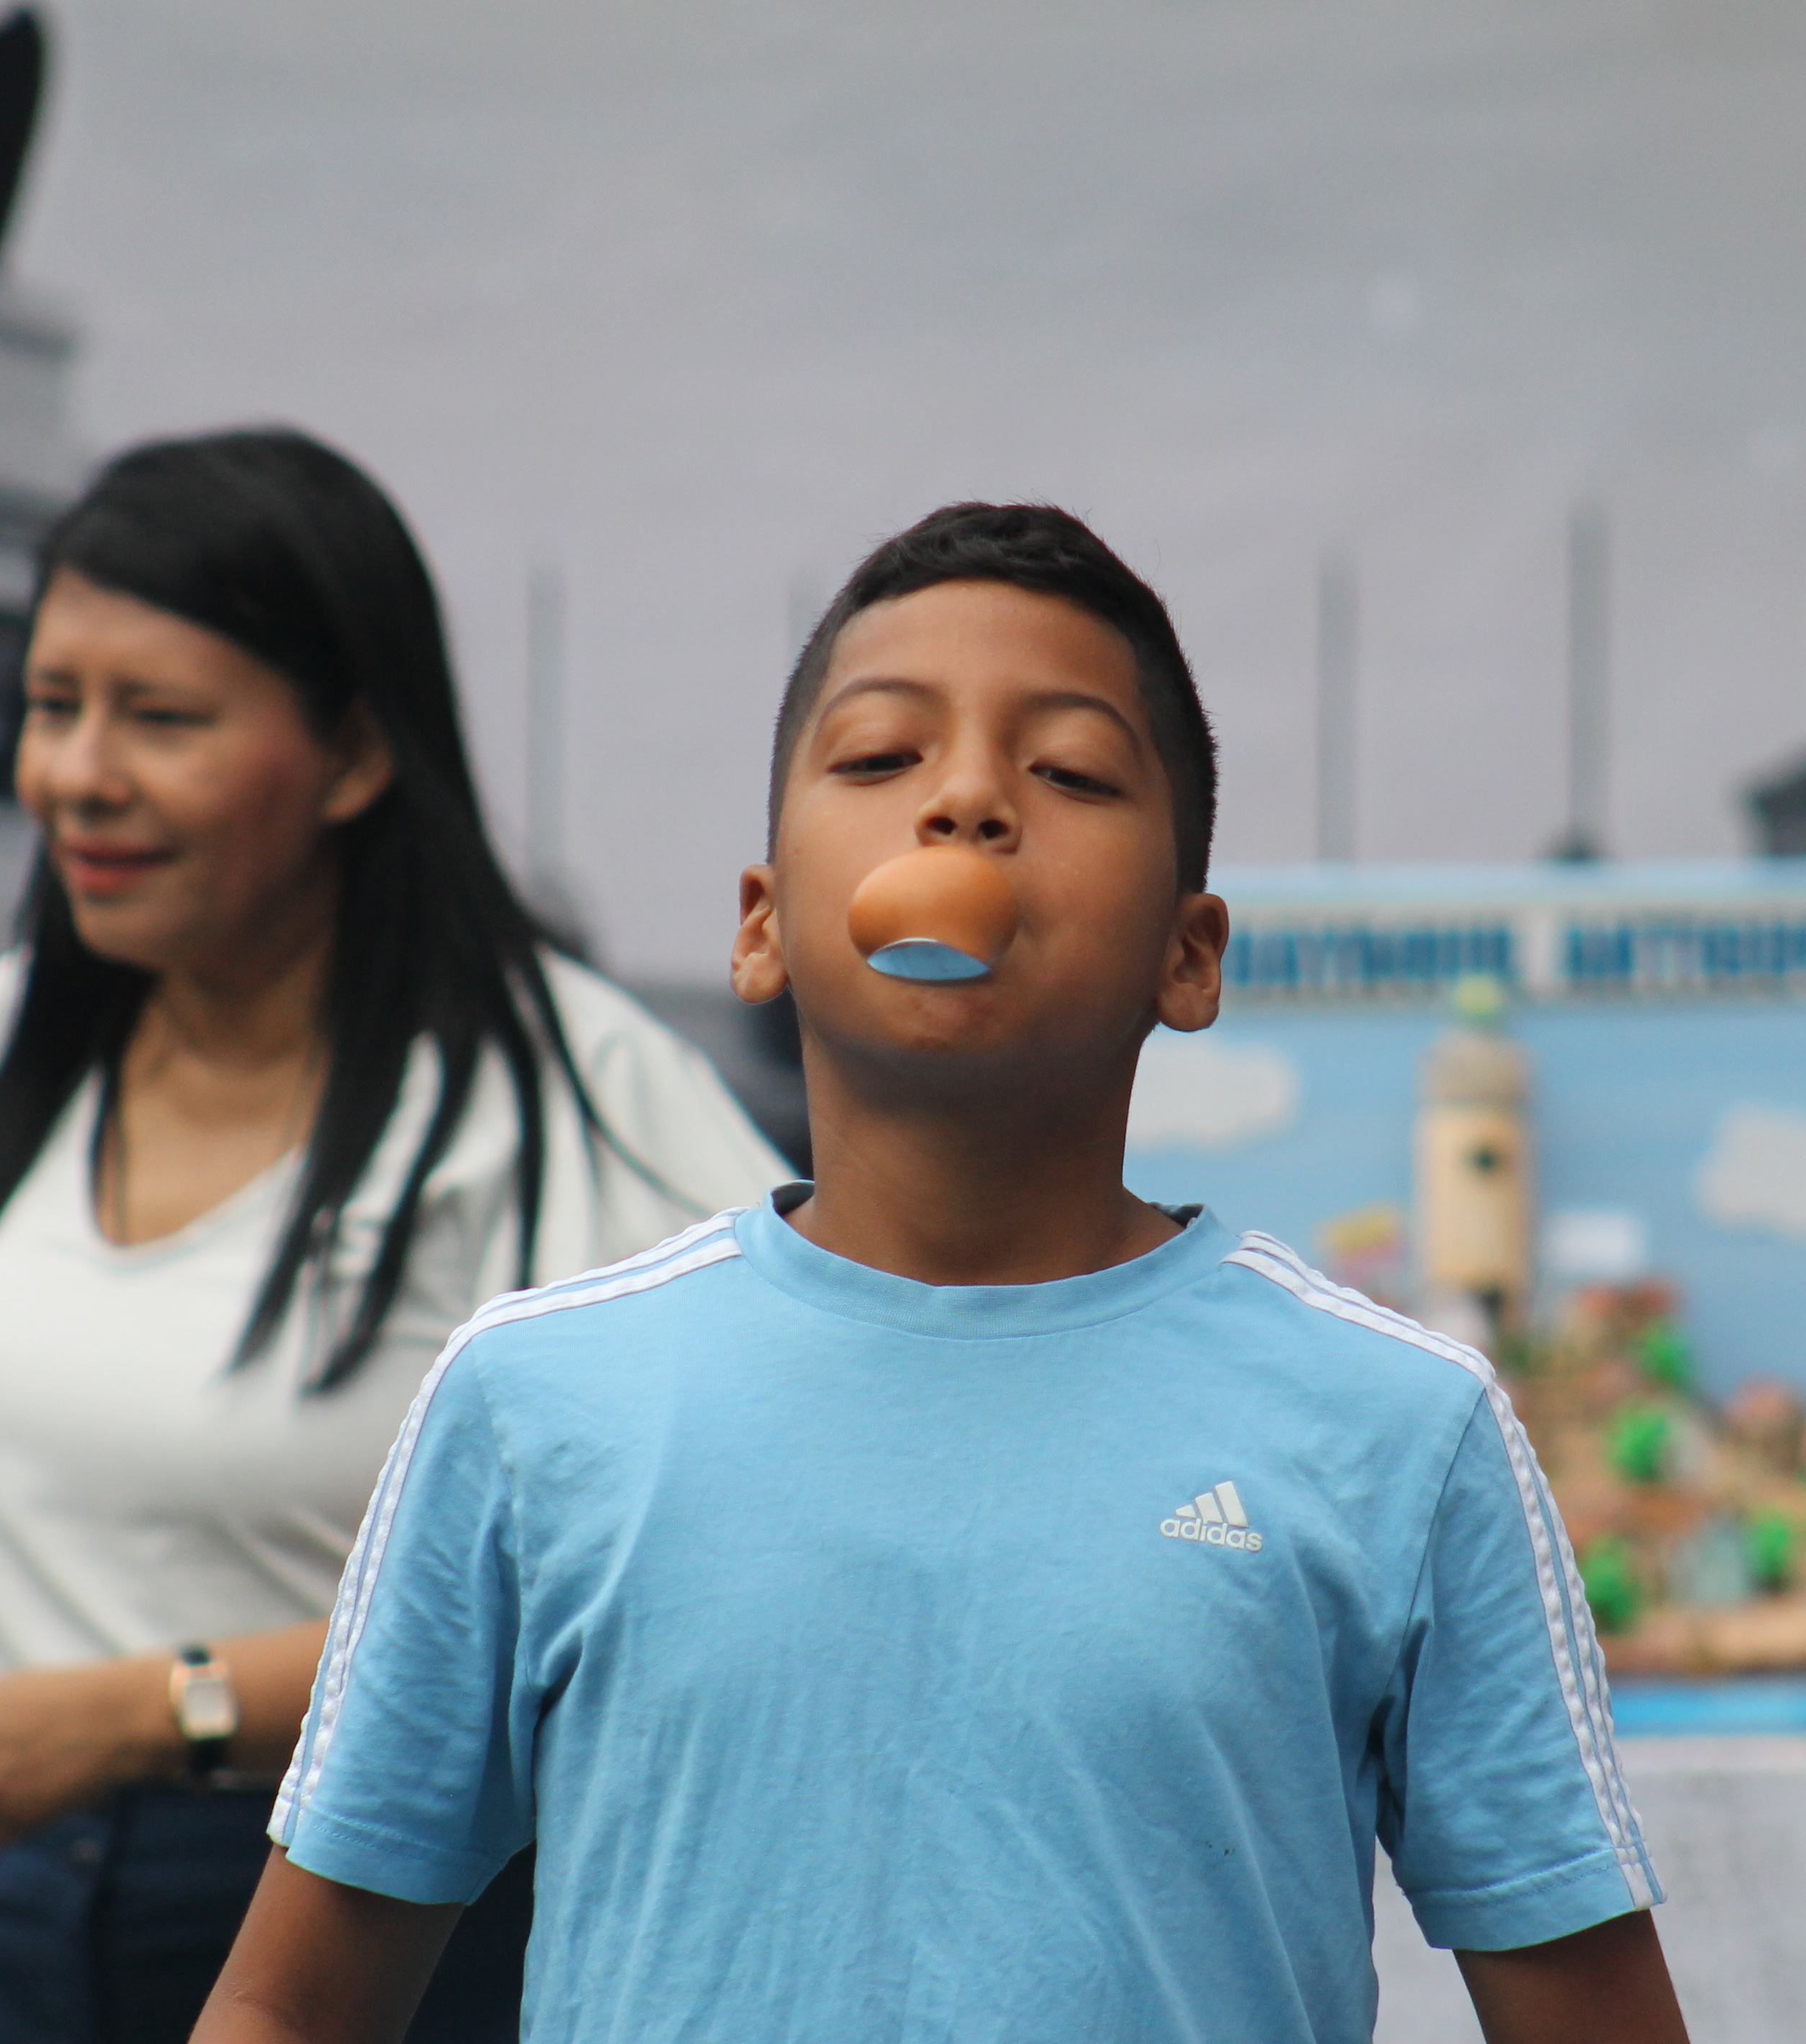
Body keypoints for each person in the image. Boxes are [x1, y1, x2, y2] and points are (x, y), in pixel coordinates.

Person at [193, 502, 1688, 2043]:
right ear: (763, 924)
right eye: (881, 758)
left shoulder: (1401, 1428)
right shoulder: (534, 1400)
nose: (968, 800)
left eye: (1071, 771)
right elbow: (291, 2007)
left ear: (1192, 953)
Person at [0, 429, 789, 2044]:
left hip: (368, 1922)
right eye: (52, 706)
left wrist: (148, 1714)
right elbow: (15, 1457)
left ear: (356, 753)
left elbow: (653, 1576)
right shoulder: (6, 1046)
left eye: (161, 719)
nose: (79, 774)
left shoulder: (567, 1094)